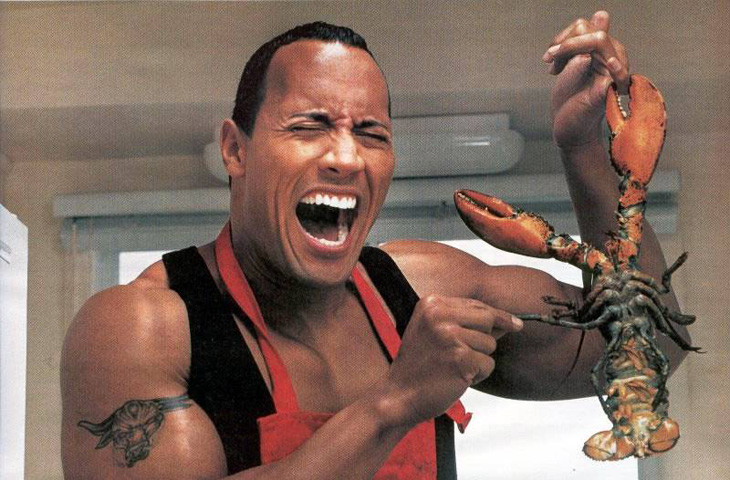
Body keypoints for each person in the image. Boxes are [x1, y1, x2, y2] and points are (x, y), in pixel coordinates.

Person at [61, 11, 691, 479]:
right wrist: (394, 403)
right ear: (235, 149)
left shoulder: (421, 289)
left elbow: (647, 346)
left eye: (371, 134)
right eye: (310, 126)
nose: (346, 157)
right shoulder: (143, 326)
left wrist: (584, 151)